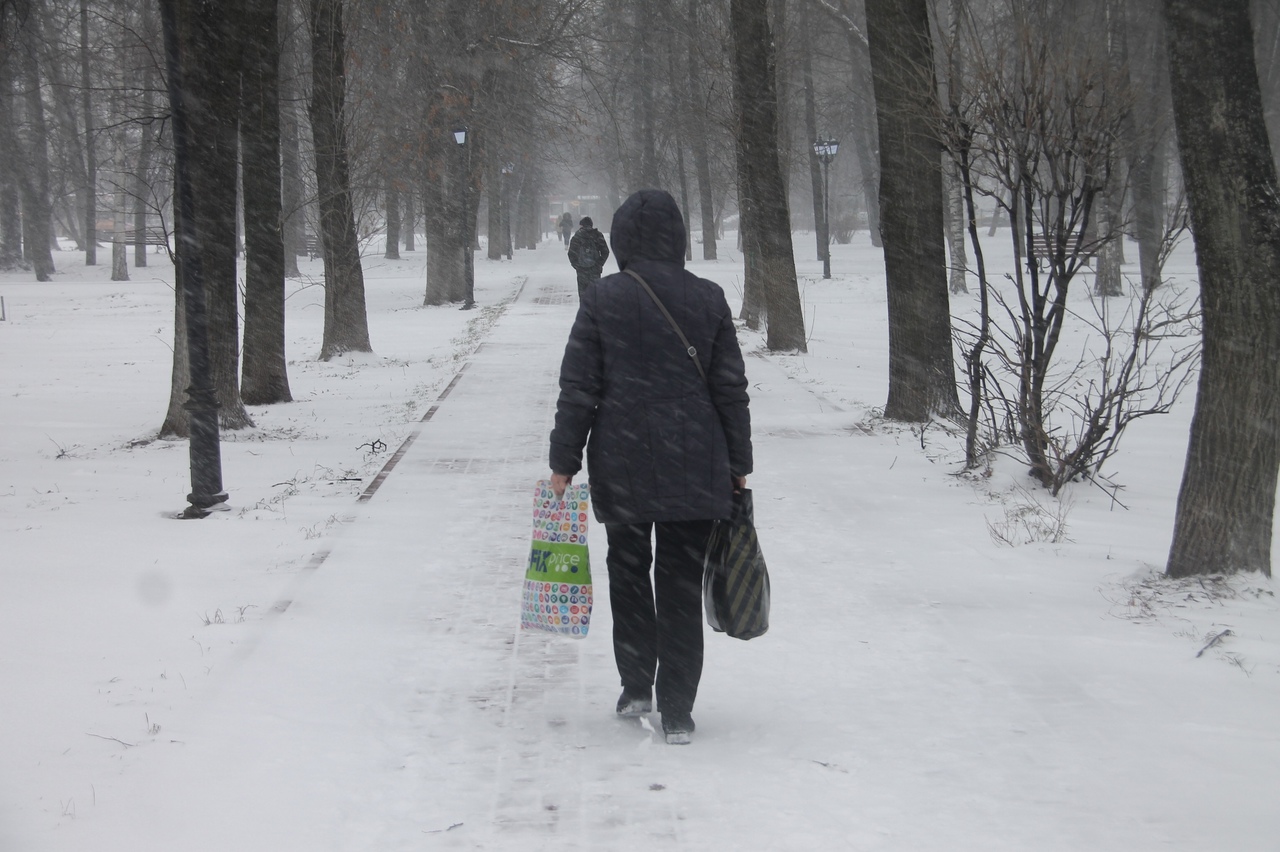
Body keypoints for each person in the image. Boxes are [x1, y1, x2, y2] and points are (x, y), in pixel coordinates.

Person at [548, 188, 752, 745]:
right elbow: (730, 390)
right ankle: (679, 709)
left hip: (624, 457)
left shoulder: (602, 300)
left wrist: (563, 461)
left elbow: (579, 389)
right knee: (681, 583)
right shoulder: (707, 299)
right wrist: (739, 462)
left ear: (621, 241)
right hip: (695, 460)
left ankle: (637, 684)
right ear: (679, 239)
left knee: (630, 572)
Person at [567, 216, 610, 298]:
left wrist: (577, 266)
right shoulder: (598, 235)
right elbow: (605, 251)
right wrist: (599, 264)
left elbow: (571, 253)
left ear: (581, 225)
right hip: (595, 270)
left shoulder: (577, 236)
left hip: (582, 270)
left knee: (583, 294)